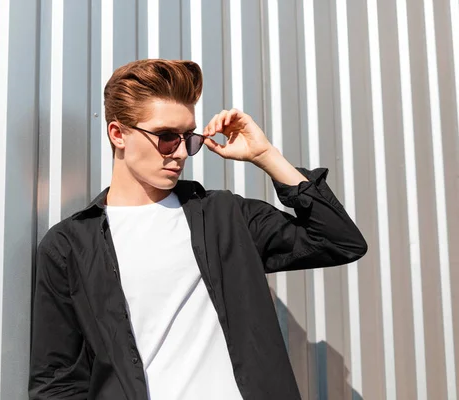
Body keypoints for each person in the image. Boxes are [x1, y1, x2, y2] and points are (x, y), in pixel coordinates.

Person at [29, 59, 367, 399]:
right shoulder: (69, 246)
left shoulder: (225, 217)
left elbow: (339, 241)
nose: (179, 152)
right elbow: (56, 381)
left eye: (188, 138)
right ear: (118, 134)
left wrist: (266, 156)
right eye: (165, 137)